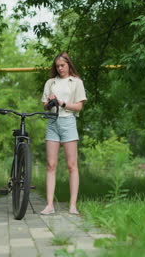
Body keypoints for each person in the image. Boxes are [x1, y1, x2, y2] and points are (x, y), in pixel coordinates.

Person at [40, 52, 87, 215]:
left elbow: (79, 107)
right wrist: (50, 101)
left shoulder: (76, 82)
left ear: (68, 65)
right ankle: (49, 205)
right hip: (52, 122)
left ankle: (73, 205)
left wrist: (62, 103)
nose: (60, 68)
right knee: (51, 164)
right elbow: (44, 106)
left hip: (68, 122)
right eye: (57, 66)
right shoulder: (50, 82)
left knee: (71, 165)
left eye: (63, 65)